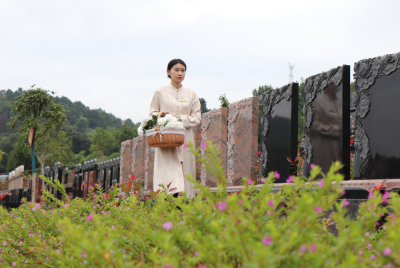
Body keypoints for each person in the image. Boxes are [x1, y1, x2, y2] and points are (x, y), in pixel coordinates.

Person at [149, 59, 201, 198]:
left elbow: (196, 117)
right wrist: (163, 117)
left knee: (186, 172)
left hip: (186, 139)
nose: (180, 73)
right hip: (166, 140)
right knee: (167, 172)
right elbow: (153, 114)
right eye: (176, 70)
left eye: (183, 70)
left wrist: (177, 119)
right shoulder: (160, 92)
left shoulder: (191, 94)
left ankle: (187, 204)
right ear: (168, 72)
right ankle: (167, 203)